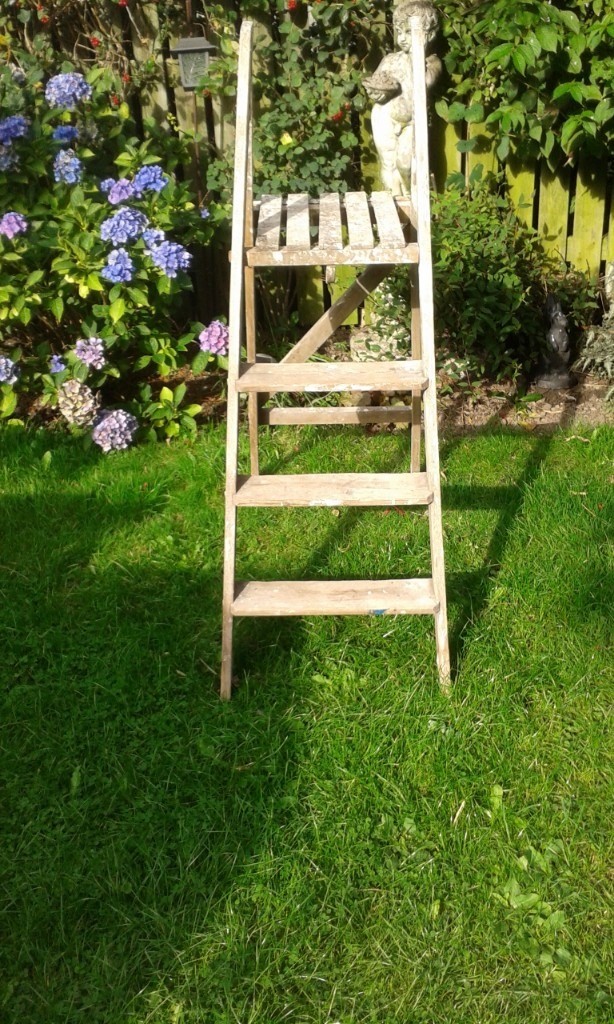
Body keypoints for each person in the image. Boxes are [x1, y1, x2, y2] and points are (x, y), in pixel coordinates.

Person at [363, 1, 441, 196]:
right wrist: (377, 92)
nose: (403, 39)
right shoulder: (391, 59)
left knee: (406, 165)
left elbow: (423, 84)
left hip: (412, 122)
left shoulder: (431, 62)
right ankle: (393, 206)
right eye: (400, 32)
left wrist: (416, 55)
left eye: (410, 33)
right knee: (388, 164)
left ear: (429, 34)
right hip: (385, 116)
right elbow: (377, 84)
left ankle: (412, 203)